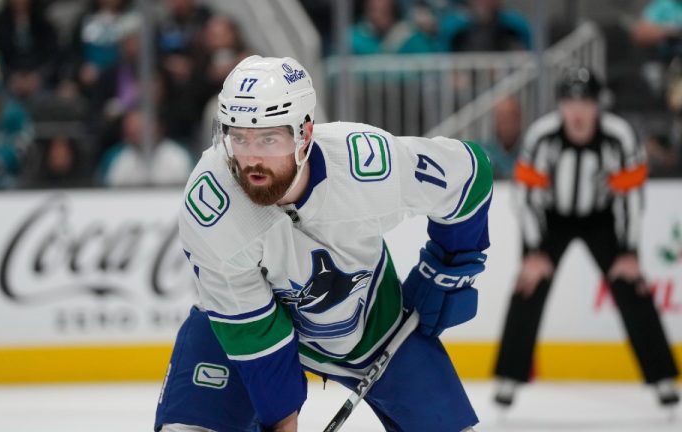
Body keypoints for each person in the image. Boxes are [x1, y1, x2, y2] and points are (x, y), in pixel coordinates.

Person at [154, 55, 492, 431]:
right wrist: (283, 420)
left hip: (374, 329)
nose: (251, 159)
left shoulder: (367, 167)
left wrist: (443, 273)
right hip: (241, 332)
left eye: (268, 138)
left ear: (305, 135)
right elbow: (252, 329)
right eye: (239, 138)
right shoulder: (211, 206)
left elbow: (468, 175)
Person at [493, 67, 680, 408]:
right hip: (552, 219)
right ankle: (509, 377)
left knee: (632, 286)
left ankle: (662, 378)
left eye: (586, 103)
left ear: (598, 106)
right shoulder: (541, 136)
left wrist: (629, 250)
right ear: (560, 106)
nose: (577, 111)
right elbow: (527, 198)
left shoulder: (619, 137)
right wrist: (534, 250)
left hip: (602, 218)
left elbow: (631, 197)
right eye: (569, 102)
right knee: (529, 284)